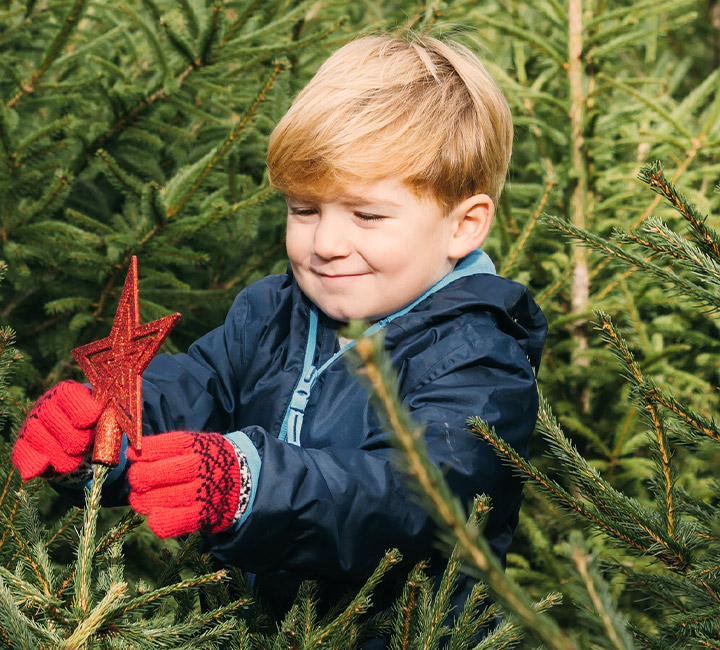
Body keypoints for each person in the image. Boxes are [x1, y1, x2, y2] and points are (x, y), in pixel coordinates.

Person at [12, 33, 547, 643]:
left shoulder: (478, 357)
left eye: (366, 215)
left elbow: (412, 501)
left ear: (464, 225)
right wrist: (101, 431)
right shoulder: (270, 313)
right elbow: (189, 392)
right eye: (304, 209)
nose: (325, 243)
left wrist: (251, 484)